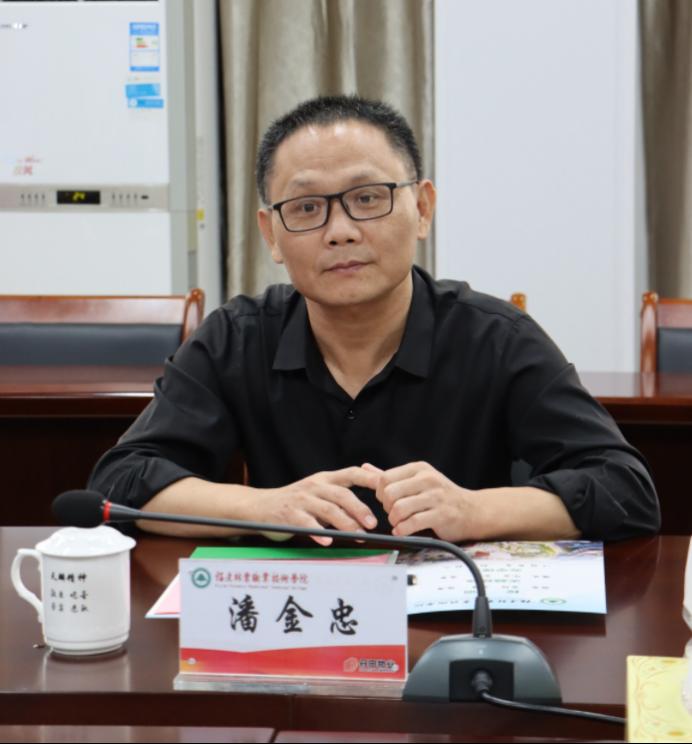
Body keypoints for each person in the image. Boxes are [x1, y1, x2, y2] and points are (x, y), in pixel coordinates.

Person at [88, 95, 659, 544]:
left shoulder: (495, 338)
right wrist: (265, 506)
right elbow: (121, 483)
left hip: (449, 628)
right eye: (306, 207)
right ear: (272, 236)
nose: (340, 231)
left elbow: (625, 491)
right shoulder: (237, 338)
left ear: (423, 209)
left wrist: (474, 509)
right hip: (292, 621)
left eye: (367, 198)